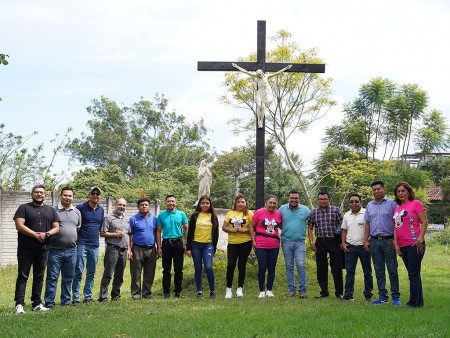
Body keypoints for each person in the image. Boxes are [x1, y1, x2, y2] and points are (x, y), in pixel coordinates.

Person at [13, 184, 60, 314]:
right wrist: (35, 234)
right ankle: (19, 305)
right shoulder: (24, 208)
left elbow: (56, 227)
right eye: (36, 192)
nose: (39, 194)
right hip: (25, 248)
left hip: (43, 249)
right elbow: (19, 225)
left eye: (42, 193)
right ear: (32, 194)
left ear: (45, 195)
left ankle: (37, 303)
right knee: (23, 275)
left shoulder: (51, 210)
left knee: (39, 276)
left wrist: (47, 234)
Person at [44, 187, 81, 309]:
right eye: (65, 195)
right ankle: (49, 301)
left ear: (73, 197)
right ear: (61, 196)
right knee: (52, 277)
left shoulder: (77, 212)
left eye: (70, 196)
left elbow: (77, 229)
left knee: (68, 277)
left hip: (72, 250)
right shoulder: (52, 210)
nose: (67, 198)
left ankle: (65, 301)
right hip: (55, 250)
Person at [364, 180, 400, 306]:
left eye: (378, 189)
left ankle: (396, 297)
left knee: (392, 270)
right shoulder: (369, 205)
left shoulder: (392, 204)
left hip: (388, 241)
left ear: (384, 189)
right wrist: (366, 240)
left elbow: (397, 223)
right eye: (374, 189)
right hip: (374, 242)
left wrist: (395, 240)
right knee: (379, 271)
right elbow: (367, 223)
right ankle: (382, 296)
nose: (376, 191)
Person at [393, 181, 428, 308]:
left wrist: (420, 239)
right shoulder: (397, 208)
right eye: (398, 191)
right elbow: (396, 227)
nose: (401, 193)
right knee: (414, 273)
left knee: (413, 273)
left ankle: (413, 303)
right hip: (402, 246)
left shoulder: (416, 203)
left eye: (403, 191)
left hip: (415, 244)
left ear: (408, 192)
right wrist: (396, 245)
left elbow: (424, 222)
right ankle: (419, 302)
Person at [232, 63, 292, 128]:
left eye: (260, 75)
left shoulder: (267, 76)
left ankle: (261, 121)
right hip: (259, 93)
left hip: (265, 94)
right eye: (258, 75)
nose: (259, 76)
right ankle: (258, 121)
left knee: (263, 107)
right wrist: (237, 67)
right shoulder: (257, 77)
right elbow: (246, 72)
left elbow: (278, 72)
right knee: (259, 105)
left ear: (262, 73)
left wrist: (286, 68)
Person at [308, 192, 344, 299]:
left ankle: (339, 292)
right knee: (321, 268)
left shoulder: (335, 210)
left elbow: (342, 225)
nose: (322, 201)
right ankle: (324, 291)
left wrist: (342, 241)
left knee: (336, 267)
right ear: (317, 200)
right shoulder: (314, 212)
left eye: (325, 199)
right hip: (320, 242)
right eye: (320, 199)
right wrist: (311, 242)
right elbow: (310, 228)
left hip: (334, 241)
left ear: (329, 200)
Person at [72, 186, 104, 304]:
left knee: (91, 272)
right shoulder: (80, 208)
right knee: (78, 272)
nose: (95, 196)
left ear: (100, 196)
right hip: (81, 244)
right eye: (93, 193)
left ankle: (87, 296)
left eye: (97, 194)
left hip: (95, 245)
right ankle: (75, 298)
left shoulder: (101, 209)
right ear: (89, 195)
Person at [341, 194, 373, 301]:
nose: (354, 203)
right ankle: (348, 295)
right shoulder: (346, 215)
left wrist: (367, 241)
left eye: (356, 201)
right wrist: (343, 243)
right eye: (352, 201)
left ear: (360, 202)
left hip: (364, 247)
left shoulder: (366, 213)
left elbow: (371, 229)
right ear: (349, 203)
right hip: (350, 247)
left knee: (367, 272)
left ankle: (368, 294)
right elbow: (344, 230)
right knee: (350, 272)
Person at [186, 195, 219, 299]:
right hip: (196, 244)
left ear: (210, 204)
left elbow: (216, 234)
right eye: (203, 203)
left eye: (207, 203)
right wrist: (188, 248)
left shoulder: (213, 216)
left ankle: (212, 291)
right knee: (198, 268)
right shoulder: (195, 216)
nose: (205, 205)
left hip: (208, 245)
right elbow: (190, 232)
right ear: (199, 204)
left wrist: (214, 247)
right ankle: (199, 291)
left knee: (208, 267)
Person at [279, 190, 310, 299]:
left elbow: (312, 223)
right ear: (288, 198)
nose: (294, 200)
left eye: (296, 198)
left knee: (301, 266)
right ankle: (291, 290)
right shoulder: (282, 209)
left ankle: (303, 291)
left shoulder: (305, 210)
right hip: (286, 241)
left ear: (299, 199)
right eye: (292, 197)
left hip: (300, 242)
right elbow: (278, 222)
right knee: (289, 267)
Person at [249, 195, 282, 298]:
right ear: (266, 203)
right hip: (261, 244)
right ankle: (261, 290)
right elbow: (251, 226)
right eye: (270, 202)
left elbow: (282, 226)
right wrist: (253, 240)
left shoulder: (278, 214)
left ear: (276, 204)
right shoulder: (259, 212)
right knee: (262, 267)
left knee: (272, 267)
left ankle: (269, 290)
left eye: (274, 203)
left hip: (274, 244)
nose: (272, 205)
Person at [222, 194, 254, 299]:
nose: (240, 204)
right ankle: (229, 289)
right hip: (233, 243)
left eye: (243, 202)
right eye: (239, 202)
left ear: (246, 203)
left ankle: (239, 289)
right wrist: (230, 230)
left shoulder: (249, 213)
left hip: (245, 243)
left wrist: (244, 230)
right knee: (231, 265)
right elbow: (224, 227)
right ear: (235, 203)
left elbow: (254, 228)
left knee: (242, 265)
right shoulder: (230, 213)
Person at [156, 195, 188, 298]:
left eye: (173, 201)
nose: (171, 203)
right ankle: (166, 292)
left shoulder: (181, 214)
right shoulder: (161, 215)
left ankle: (178, 292)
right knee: (166, 269)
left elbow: (187, 229)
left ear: (176, 202)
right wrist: (159, 247)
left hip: (178, 243)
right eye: (169, 201)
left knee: (179, 269)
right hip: (166, 244)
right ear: (165, 203)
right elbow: (158, 231)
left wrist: (186, 244)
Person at [98, 198, 130, 302]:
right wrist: (116, 234)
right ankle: (103, 297)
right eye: (120, 205)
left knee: (119, 274)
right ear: (115, 205)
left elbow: (129, 235)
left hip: (123, 250)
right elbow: (102, 233)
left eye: (124, 205)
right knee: (108, 273)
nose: (122, 207)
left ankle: (115, 296)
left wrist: (129, 249)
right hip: (112, 248)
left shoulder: (126, 219)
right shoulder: (108, 217)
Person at [128, 197, 158, 300]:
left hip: (151, 249)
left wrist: (159, 248)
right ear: (138, 207)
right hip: (137, 249)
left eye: (146, 205)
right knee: (136, 273)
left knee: (150, 273)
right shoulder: (133, 219)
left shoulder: (154, 219)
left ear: (149, 207)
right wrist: (129, 250)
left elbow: (157, 233)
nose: (144, 206)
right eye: (142, 205)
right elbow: (129, 235)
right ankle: (136, 295)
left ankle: (147, 294)